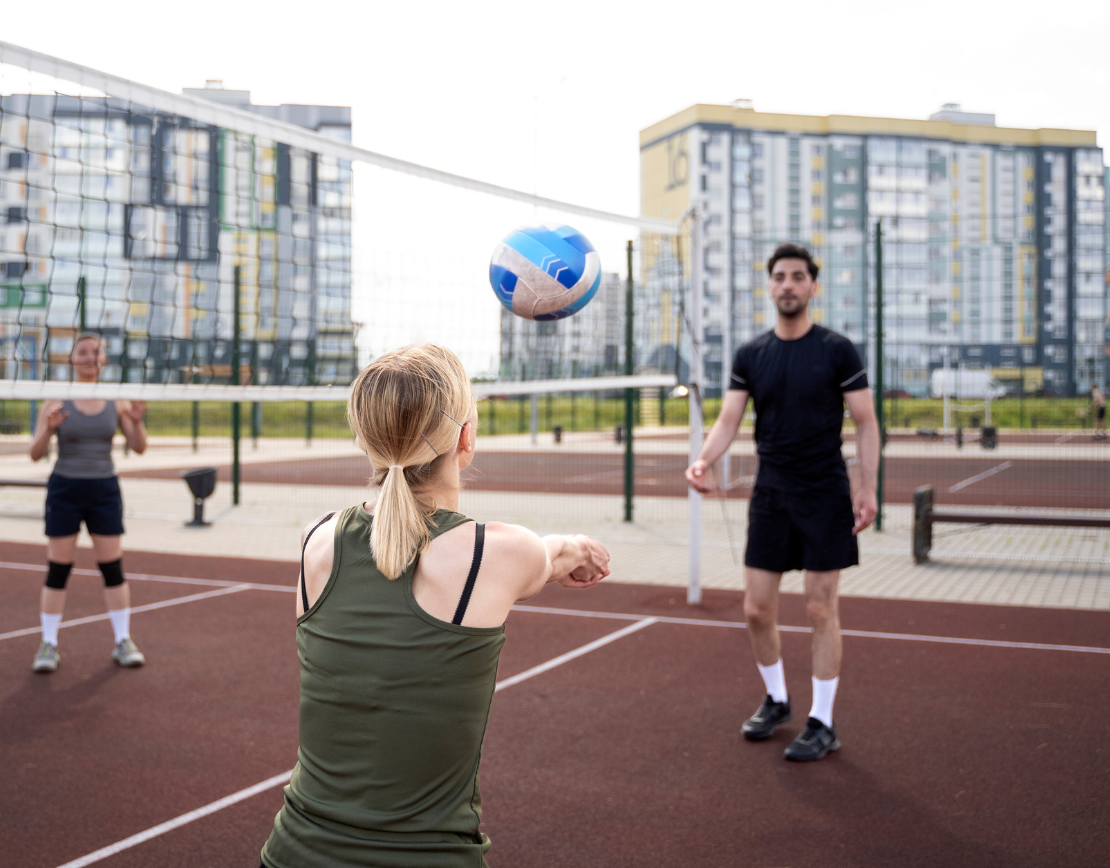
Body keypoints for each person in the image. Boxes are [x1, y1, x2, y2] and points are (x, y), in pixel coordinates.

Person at [259, 344, 611, 868]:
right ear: (465, 438)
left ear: (365, 440)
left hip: (291, 854)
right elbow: (558, 554)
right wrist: (584, 548)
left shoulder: (318, 539)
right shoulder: (498, 553)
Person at [685, 243, 879, 762]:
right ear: (769, 287)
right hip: (771, 493)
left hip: (824, 492)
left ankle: (823, 720)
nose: (788, 284)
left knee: (820, 607)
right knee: (755, 609)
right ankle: (777, 699)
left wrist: (867, 487)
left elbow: (865, 421)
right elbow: (728, 420)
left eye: (798, 276)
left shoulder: (838, 350)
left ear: (814, 286)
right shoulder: (751, 354)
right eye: (779, 277)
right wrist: (703, 461)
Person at [28, 333, 149, 673]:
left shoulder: (116, 399)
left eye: (95, 351)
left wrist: (137, 423)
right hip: (65, 488)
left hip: (104, 489)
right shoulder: (57, 399)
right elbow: (35, 453)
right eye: (82, 351)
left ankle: (123, 640)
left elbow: (139, 447)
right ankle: (48, 644)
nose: (88, 357)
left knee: (112, 568)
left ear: (103, 360)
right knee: (59, 569)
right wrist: (49, 429)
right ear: (72, 359)